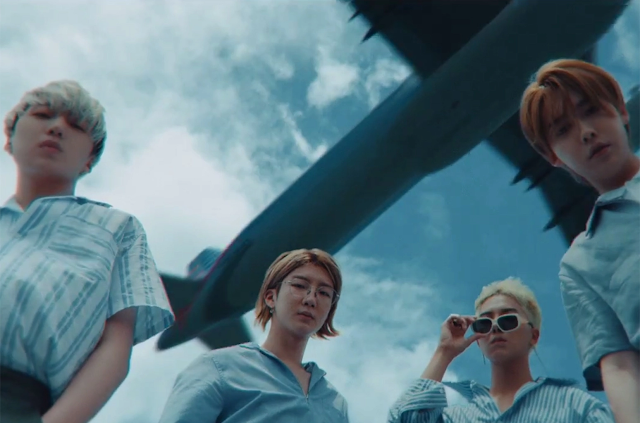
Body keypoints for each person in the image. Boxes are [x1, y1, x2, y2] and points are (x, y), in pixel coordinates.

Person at [0, 80, 174, 423]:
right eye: (43, 114)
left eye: (77, 126)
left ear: (90, 159)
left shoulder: (117, 229)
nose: (56, 127)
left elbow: (115, 346)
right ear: (10, 137)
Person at [519, 59, 639, 423]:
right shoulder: (579, 264)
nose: (586, 132)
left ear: (621, 111)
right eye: (564, 129)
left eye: (591, 111)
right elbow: (618, 365)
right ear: (553, 156)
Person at [158, 248, 350, 423]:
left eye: (324, 293)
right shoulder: (219, 368)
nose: (311, 299)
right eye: (299, 286)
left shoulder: (335, 402)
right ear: (270, 297)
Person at [387, 277, 615, 422]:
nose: (495, 327)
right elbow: (405, 419)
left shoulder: (573, 404)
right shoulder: (459, 417)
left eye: (508, 320)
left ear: (533, 336)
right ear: (478, 340)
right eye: (484, 324)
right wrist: (444, 352)